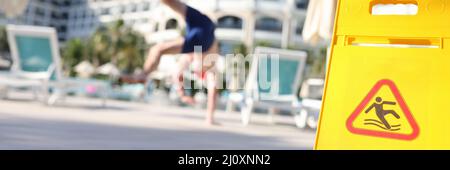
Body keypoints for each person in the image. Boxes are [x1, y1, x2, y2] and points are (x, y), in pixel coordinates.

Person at [121, 0, 219, 125]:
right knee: (158, 49)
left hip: (204, 28)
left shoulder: (198, 60)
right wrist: (183, 94)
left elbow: (178, 73)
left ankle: (144, 75)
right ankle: (143, 75)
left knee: (159, 47)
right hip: (203, 35)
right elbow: (180, 75)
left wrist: (182, 94)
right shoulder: (208, 67)